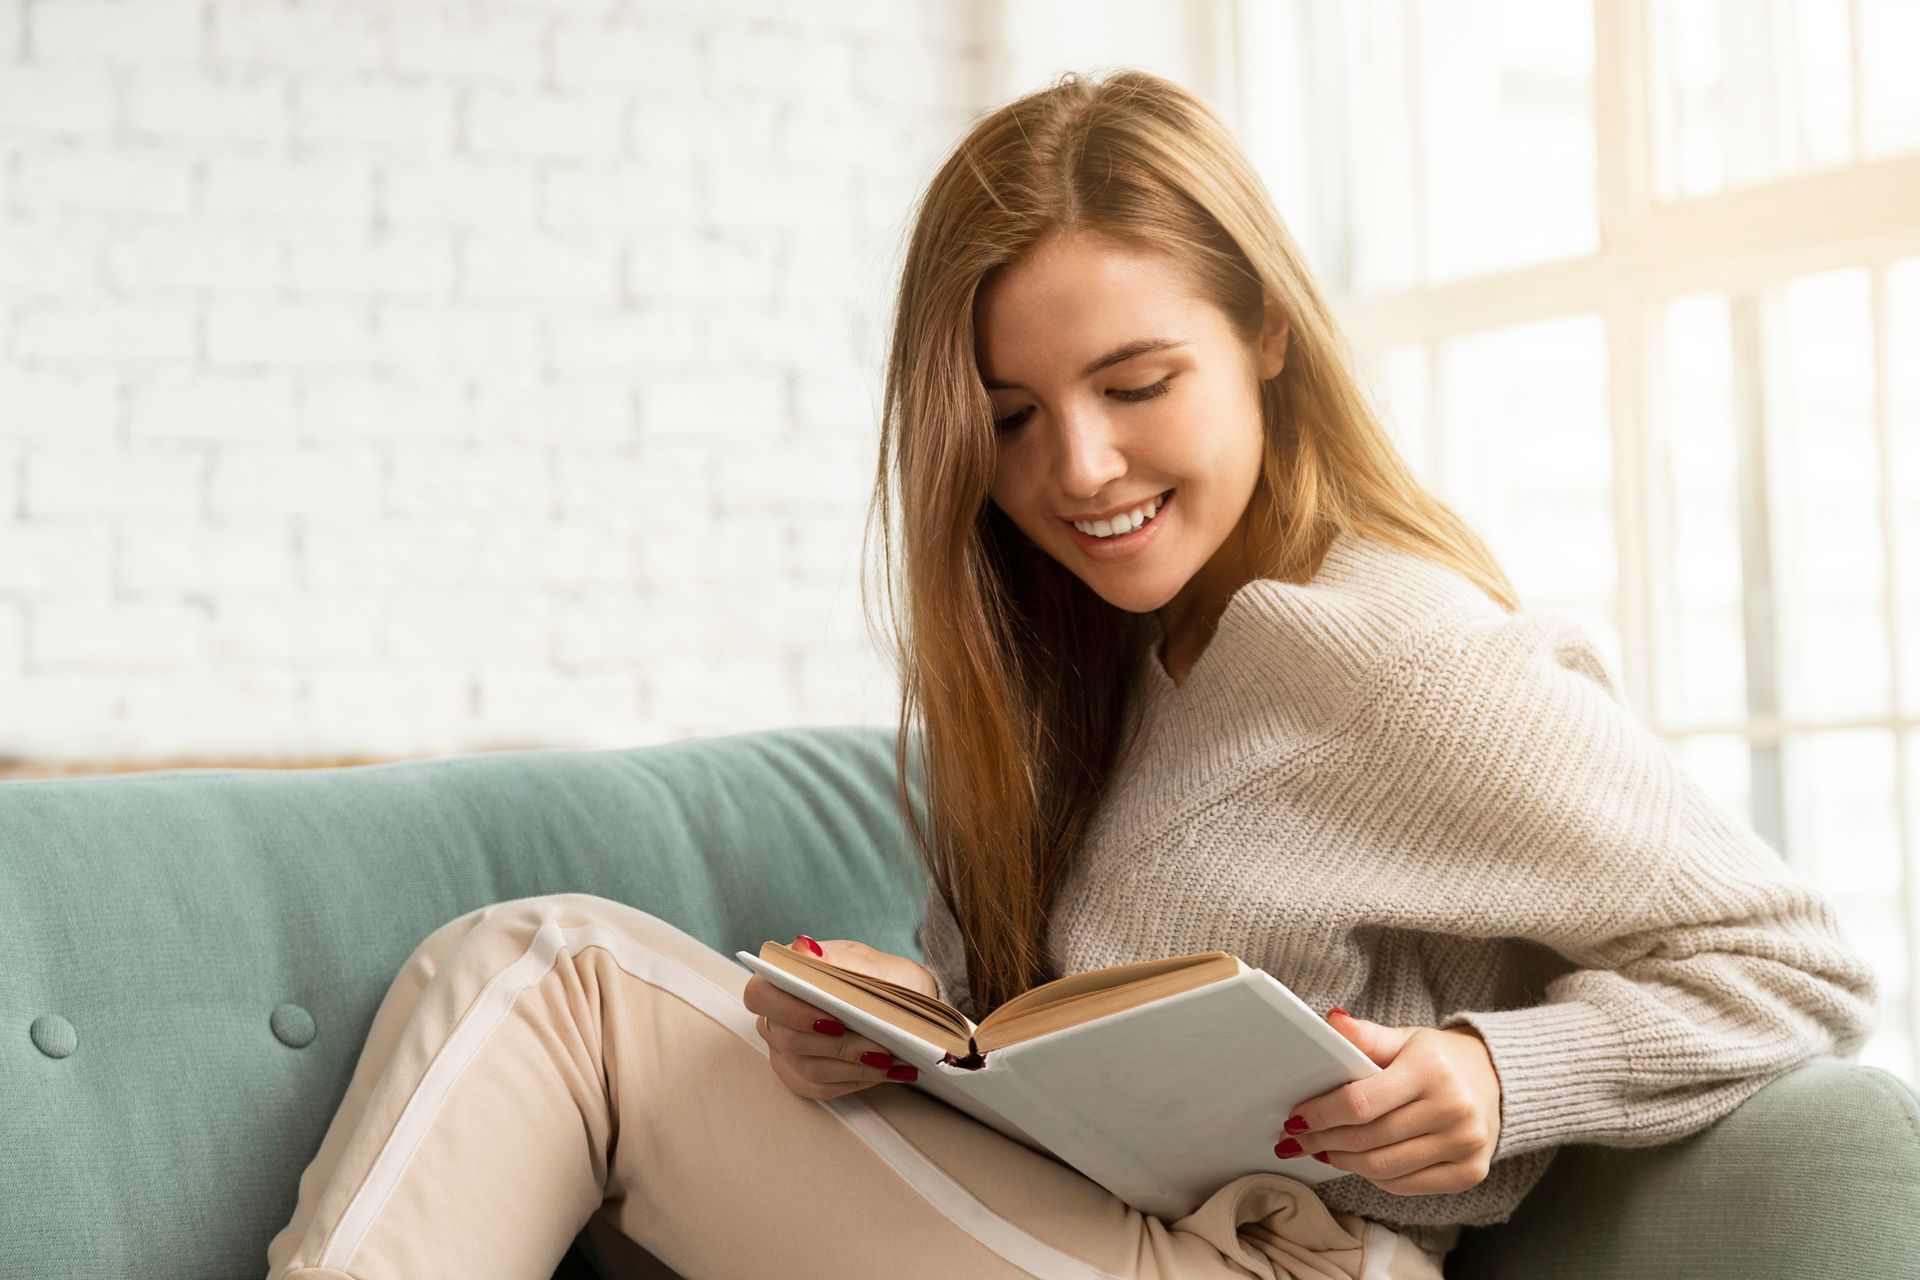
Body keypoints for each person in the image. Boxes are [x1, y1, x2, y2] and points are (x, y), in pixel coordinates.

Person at [265, 68, 1881, 1279]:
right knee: (573, 1013)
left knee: (559, 979)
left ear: (1262, 334)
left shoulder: (1394, 652)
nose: (1079, 466)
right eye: (1012, 414)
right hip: (1089, 1230)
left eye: (1135, 381)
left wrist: (1499, 1073)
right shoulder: (1079, 661)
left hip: (1274, 1264)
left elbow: (1792, 960)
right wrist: (889, 1032)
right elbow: (1050, 1051)